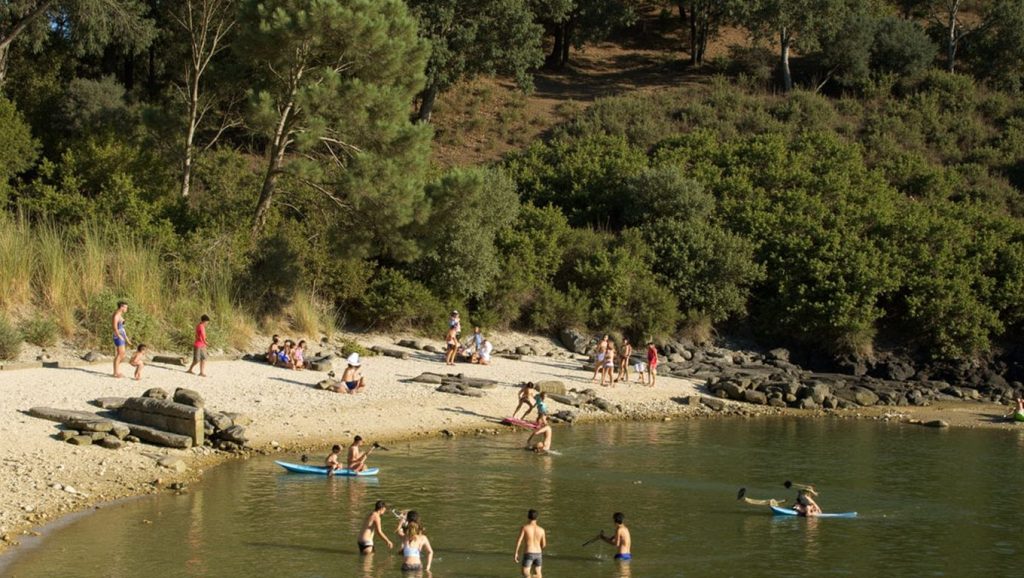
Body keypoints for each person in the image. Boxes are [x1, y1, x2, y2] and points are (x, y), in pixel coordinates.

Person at [514, 509, 547, 577]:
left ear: (528, 517)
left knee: (525, 573)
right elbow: (544, 545)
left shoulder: (525, 528)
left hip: (529, 552)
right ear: (537, 518)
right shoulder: (542, 530)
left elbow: (519, 540)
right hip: (538, 553)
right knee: (538, 573)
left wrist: (516, 553)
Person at [112, 301, 130, 378]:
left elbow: (122, 327)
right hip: (118, 335)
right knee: (120, 354)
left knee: (122, 354)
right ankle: (116, 373)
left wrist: (126, 338)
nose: (126, 309)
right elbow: (114, 327)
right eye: (126, 307)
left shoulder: (120, 314)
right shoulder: (116, 315)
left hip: (121, 334)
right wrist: (119, 335)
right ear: (122, 307)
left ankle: (117, 371)